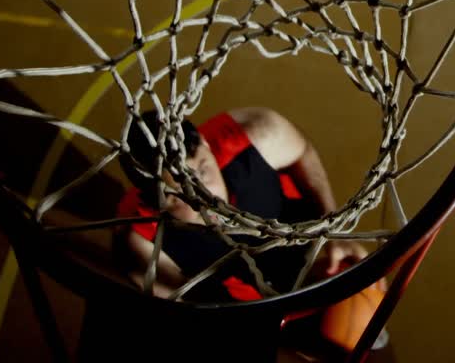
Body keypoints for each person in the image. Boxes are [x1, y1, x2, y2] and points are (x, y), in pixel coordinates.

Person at [114, 107, 367, 302]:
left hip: (302, 247)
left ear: (205, 143)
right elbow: (201, 308)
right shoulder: (141, 241)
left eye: (203, 173)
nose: (204, 199)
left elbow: (302, 152)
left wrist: (333, 232)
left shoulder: (256, 134)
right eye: (178, 196)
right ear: (152, 200)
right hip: (246, 304)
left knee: (362, 301)